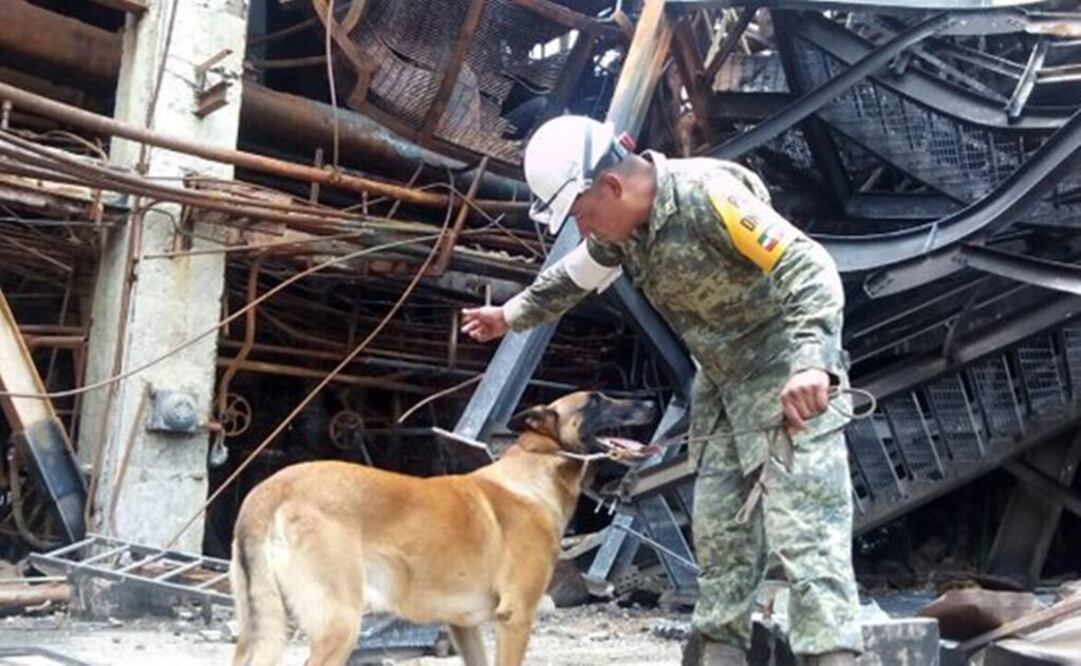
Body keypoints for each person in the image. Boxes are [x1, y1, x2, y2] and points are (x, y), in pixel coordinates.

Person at [460, 115, 862, 665]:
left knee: (807, 543)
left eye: (583, 214)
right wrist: (508, 315)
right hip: (722, 392)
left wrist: (814, 364)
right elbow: (572, 277)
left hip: (787, 380)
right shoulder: (626, 233)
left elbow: (808, 265)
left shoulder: (707, 194)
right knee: (721, 545)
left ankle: (834, 658)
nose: (583, 229)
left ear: (611, 186)